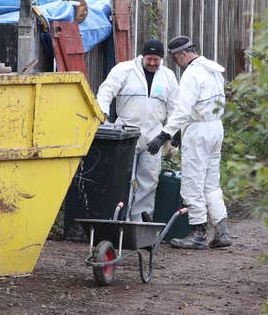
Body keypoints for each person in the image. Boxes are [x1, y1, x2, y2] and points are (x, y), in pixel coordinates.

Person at [146, 35, 231, 249]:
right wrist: (177, 135)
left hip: (199, 131)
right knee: (211, 182)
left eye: (176, 59)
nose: (176, 63)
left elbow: (182, 111)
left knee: (192, 182)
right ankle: (221, 231)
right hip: (216, 127)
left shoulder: (192, 74)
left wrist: (164, 135)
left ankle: (198, 233)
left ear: (183, 55)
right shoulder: (213, 69)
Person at [96, 39, 178, 222]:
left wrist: (171, 134)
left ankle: (139, 222)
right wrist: (103, 117)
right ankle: (118, 220)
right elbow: (105, 92)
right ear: (142, 56)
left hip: (154, 136)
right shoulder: (124, 70)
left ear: (162, 58)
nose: (152, 63)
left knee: (149, 180)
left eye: (156, 59)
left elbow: (175, 107)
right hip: (126, 132)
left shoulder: (168, 76)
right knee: (123, 179)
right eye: (149, 58)